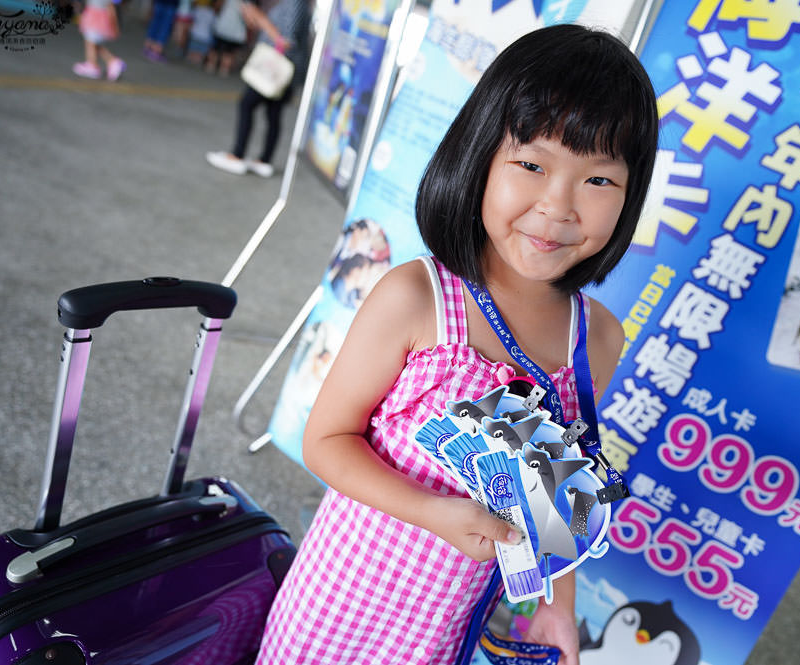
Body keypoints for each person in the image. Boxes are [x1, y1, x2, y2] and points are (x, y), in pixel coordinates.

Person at [255, 23, 658, 665]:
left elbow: (558, 487)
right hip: (337, 609)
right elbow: (327, 441)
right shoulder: (415, 298)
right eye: (531, 165)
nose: (558, 207)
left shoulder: (598, 337)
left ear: (629, 195)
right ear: (479, 158)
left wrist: (557, 604)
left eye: (599, 181)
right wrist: (432, 512)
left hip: (447, 628)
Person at [205, 0, 311, 177]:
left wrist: (260, 18)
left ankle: (237, 155)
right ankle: (264, 161)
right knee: (273, 113)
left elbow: (286, 40)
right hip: (286, 71)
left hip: (277, 69)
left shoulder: (295, 3)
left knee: (247, 104)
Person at [72, 0, 126, 80]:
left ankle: (92, 65)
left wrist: (114, 26)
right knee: (94, 44)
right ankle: (113, 62)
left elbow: (110, 8)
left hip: (97, 19)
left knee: (90, 42)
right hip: (93, 16)